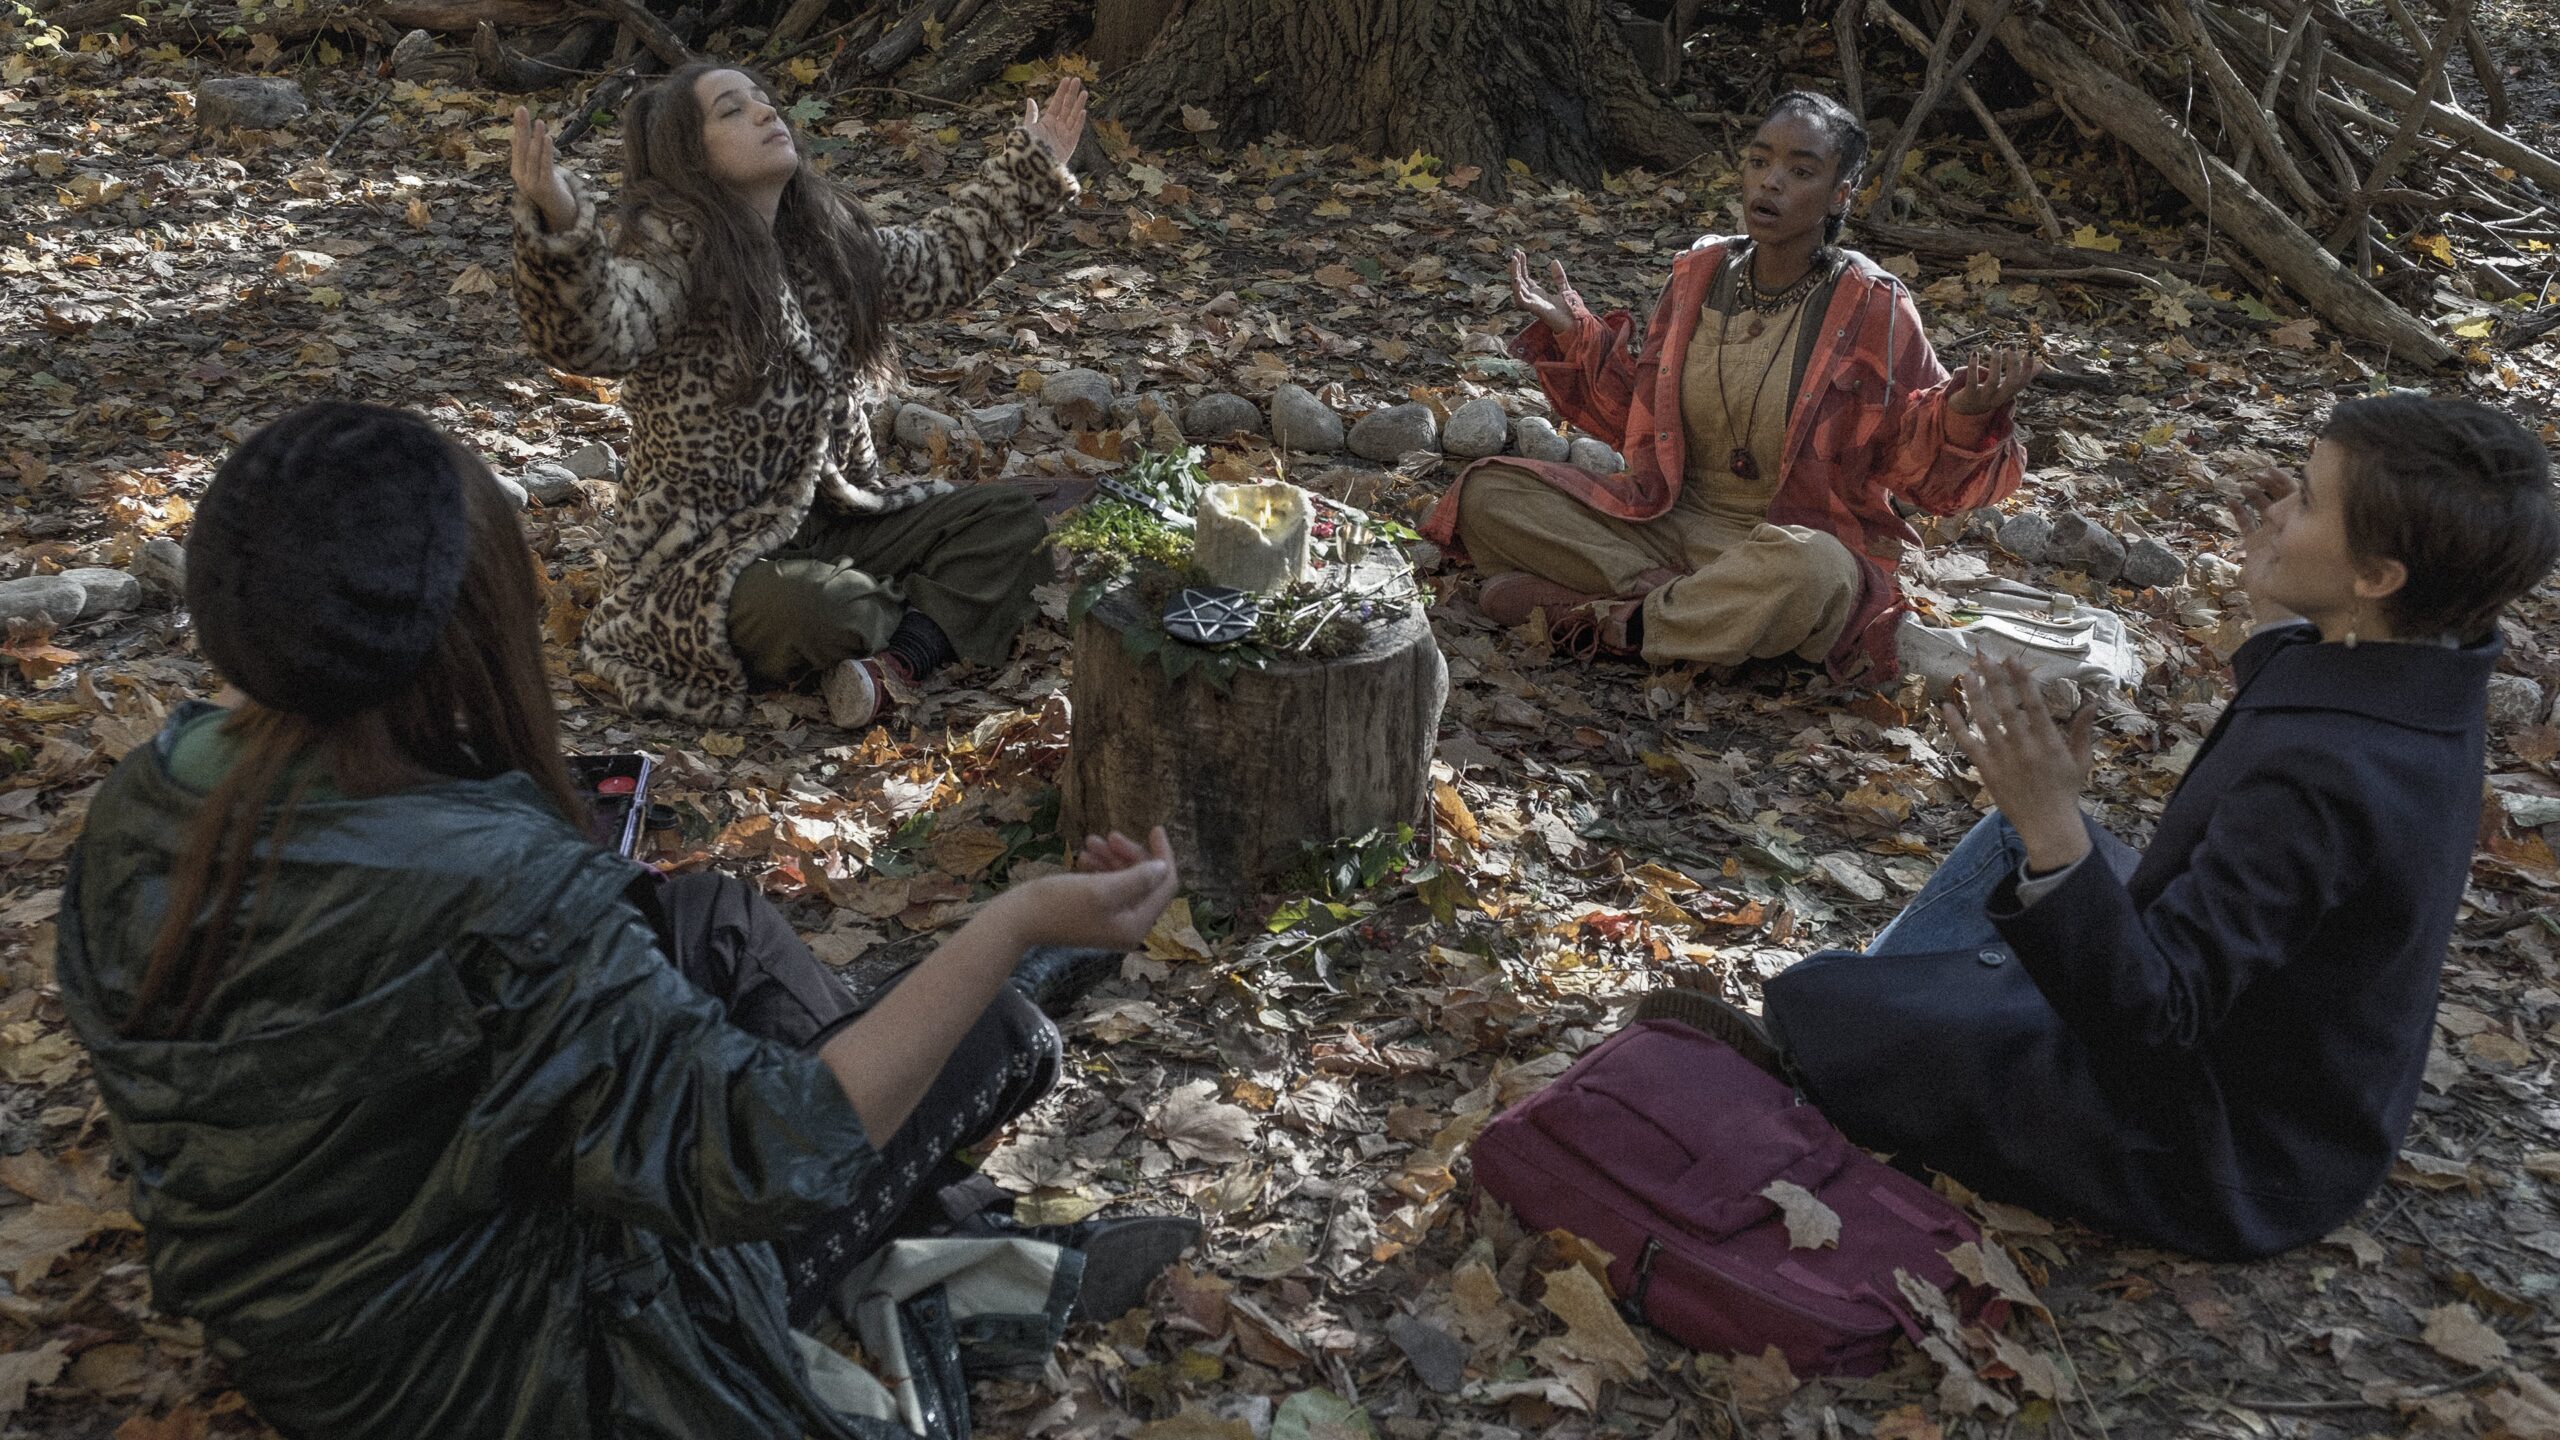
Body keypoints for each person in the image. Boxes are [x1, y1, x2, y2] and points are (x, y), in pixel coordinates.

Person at [56, 403, 1197, 1439]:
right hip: (500, 1374)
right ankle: (970, 1247)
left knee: (705, 918)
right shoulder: (503, 896)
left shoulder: (145, 798)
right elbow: (779, 1154)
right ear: (471, 628)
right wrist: (1009, 925)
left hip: (297, 1326)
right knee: (995, 1032)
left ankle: (955, 1234)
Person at [1647, 395, 2560, 1259]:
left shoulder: (2327, 775)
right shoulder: (2429, 674)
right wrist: (2279, 619)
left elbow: (2156, 1019)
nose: (2282, 511)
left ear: (2379, 577)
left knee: (1821, 1002)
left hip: (2214, 1151)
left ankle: (1808, 1065)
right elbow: (2311, 749)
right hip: (2291, 1094)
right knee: (2006, 856)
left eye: (2311, 502)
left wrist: (2053, 820)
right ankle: (1911, 1015)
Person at [510, 65, 1088, 728]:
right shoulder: (672, 261)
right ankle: (918, 618)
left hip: (839, 522)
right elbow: (595, 331)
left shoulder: (827, 244)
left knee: (1012, 521)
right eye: (732, 110)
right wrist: (561, 220)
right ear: (691, 156)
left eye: (764, 101)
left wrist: (1033, 166)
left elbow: (943, 260)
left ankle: (895, 661)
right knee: (829, 608)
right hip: (706, 557)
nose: (765, 113)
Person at [1421, 91, 2041, 685]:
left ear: (1840, 194)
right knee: (1487, 492)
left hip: (1782, 544)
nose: (1770, 183)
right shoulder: (1699, 275)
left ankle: (1614, 623)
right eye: (1759, 161)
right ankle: (1689, 610)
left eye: (1800, 171)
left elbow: (1915, 469)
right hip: (1665, 522)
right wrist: (1574, 335)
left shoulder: (1872, 304)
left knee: (1817, 571)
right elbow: (1637, 418)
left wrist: (1965, 415)